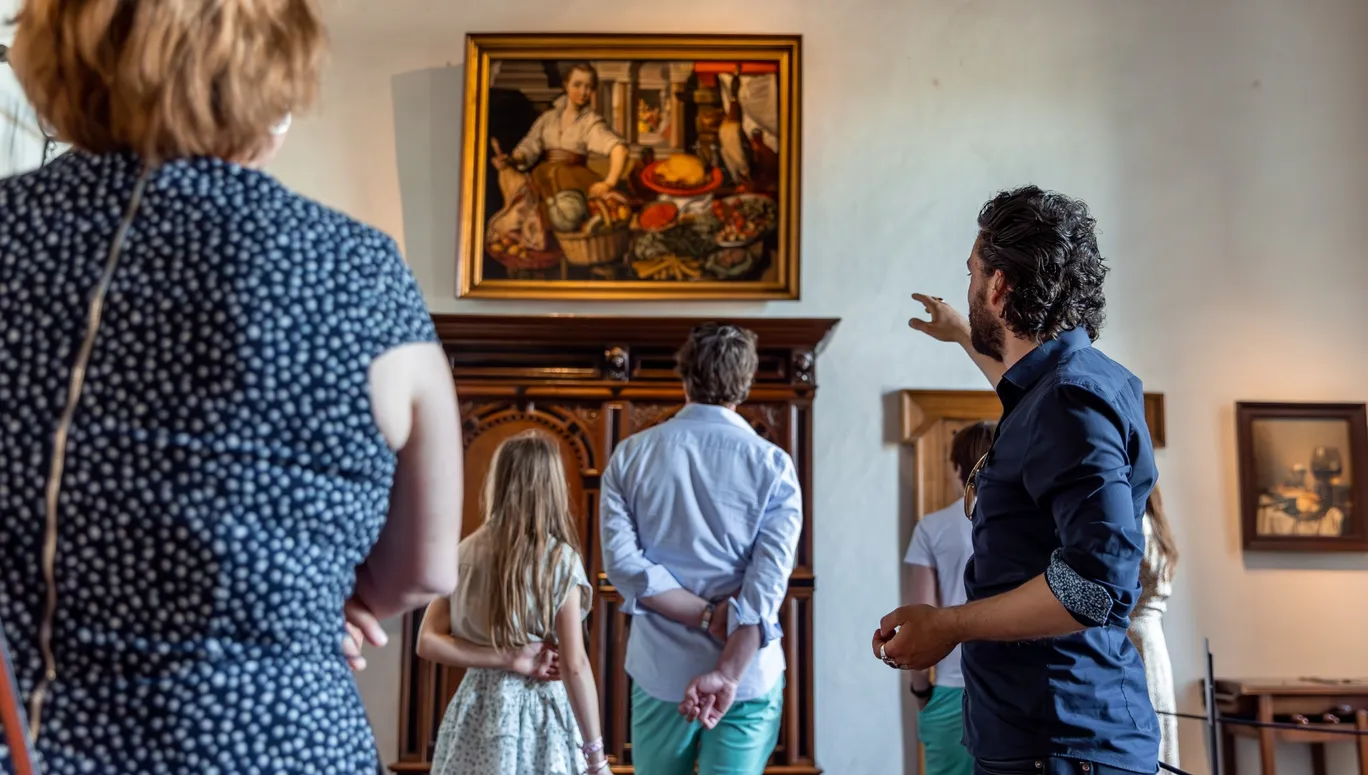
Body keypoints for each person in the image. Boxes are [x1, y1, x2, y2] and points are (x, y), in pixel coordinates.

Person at [0, 1, 464, 772]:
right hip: (281, 740)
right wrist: (326, 605)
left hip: (36, 737)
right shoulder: (359, 273)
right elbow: (427, 566)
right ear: (270, 82)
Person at [878, 185, 1160, 775]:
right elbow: (1029, 405)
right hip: (1042, 735)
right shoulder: (1069, 384)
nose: (969, 287)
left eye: (973, 273)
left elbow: (1094, 586)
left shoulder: (1072, 399)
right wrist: (963, 333)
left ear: (999, 286)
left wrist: (948, 625)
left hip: (1061, 740)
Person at [600, 323, 802, 775]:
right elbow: (767, 581)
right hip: (747, 672)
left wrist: (704, 616)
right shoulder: (772, 464)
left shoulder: (630, 456)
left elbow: (625, 567)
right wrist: (728, 665)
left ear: (685, 375)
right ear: (745, 383)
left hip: (660, 670)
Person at [417, 431, 606, 775]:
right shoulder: (560, 562)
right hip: (541, 714)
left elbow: (427, 641)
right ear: (552, 489)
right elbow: (575, 664)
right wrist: (597, 758)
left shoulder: (462, 553)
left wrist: (504, 657)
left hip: (477, 707)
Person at [904, 421, 996, 775]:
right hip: (1015, 689)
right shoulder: (1032, 525)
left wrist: (919, 693)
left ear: (960, 468)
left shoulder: (932, 528)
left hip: (950, 690)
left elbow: (915, 623)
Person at [493, 62, 630, 202]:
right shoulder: (548, 117)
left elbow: (620, 149)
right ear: (566, 85)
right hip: (543, 178)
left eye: (588, 87)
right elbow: (529, 146)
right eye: (577, 85)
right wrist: (512, 160)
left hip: (574, 180)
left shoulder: (590, 121)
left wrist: (609, 183)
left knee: (568, 209)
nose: (583, 92)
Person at [1131, 487, 1180, 768]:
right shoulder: (1157, 526)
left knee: (1146, 723)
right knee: (1158, 721)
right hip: (1152, 639)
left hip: (1135, 635)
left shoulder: (1139, 524)